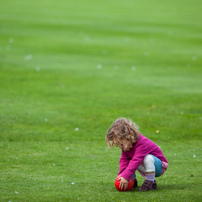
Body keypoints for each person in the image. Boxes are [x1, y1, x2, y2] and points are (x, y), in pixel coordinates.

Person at [106, 118, 168, 191]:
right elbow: (124, 160)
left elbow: (136, 160)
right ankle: (133, 181)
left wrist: (126, 176)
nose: (120, 147)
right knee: (130, 161)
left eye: (121, 144)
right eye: (118, 145)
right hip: (145, 165)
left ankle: (151, 182)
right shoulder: (127, 146)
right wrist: (122, 175)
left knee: (146, 158)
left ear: (129, 135)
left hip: (159, 166)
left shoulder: (142, 143)